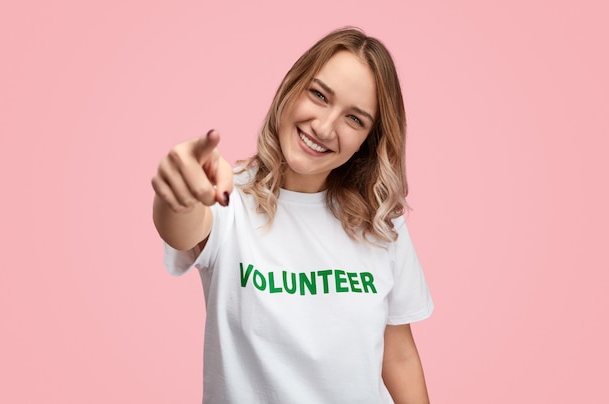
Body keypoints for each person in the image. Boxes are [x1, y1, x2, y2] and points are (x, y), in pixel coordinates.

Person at [152, 27, 434, 404]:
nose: (323, 126)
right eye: (319, 95)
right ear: (291, 86)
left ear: (370, 138)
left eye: (355, 119)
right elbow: (180, 228)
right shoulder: (228, 198)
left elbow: (398, 355)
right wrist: (180, 192)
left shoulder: (380, 222)